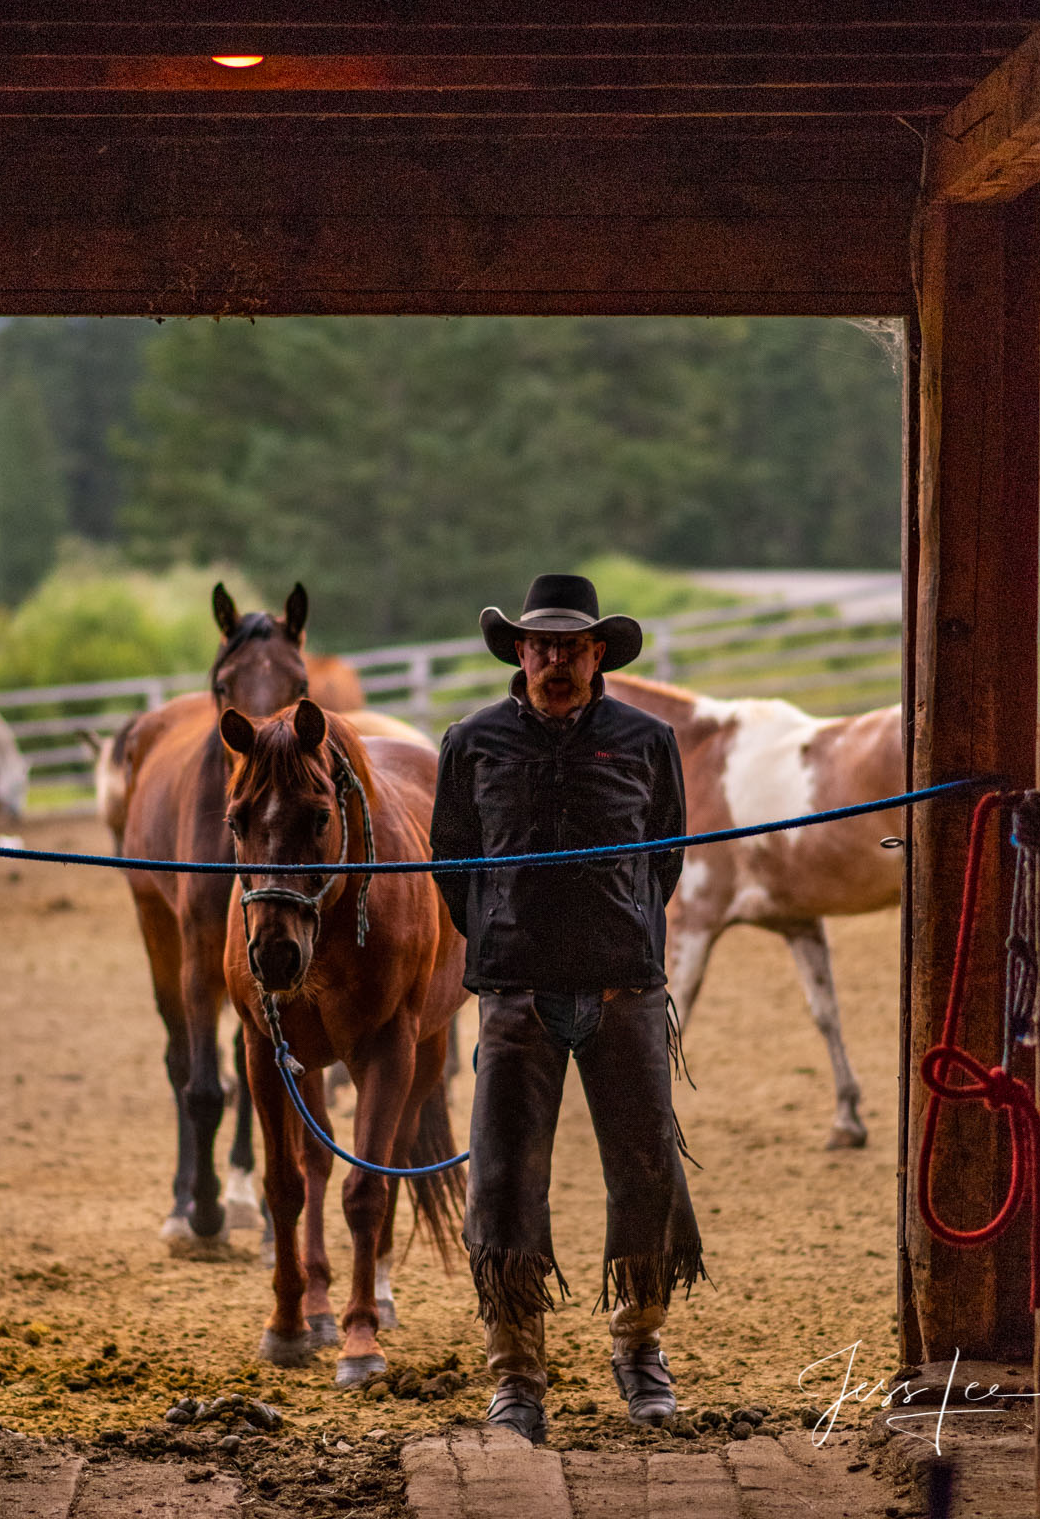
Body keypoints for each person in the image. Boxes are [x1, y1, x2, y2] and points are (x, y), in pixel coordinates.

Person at [430, 574, 703, 1445]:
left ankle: (640, 1345)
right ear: (518, 651)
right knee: (506, 1182)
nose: (554, 659)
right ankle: (515, 1373)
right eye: (539, 644)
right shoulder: (470, 743)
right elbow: (451, 862)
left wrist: (616, 935)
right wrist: (506, 947)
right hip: (515, 996)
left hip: (624, 989)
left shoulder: (645, 740)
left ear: (596, 655)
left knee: (645, 1168)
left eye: (570, 646)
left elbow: (666, 856)